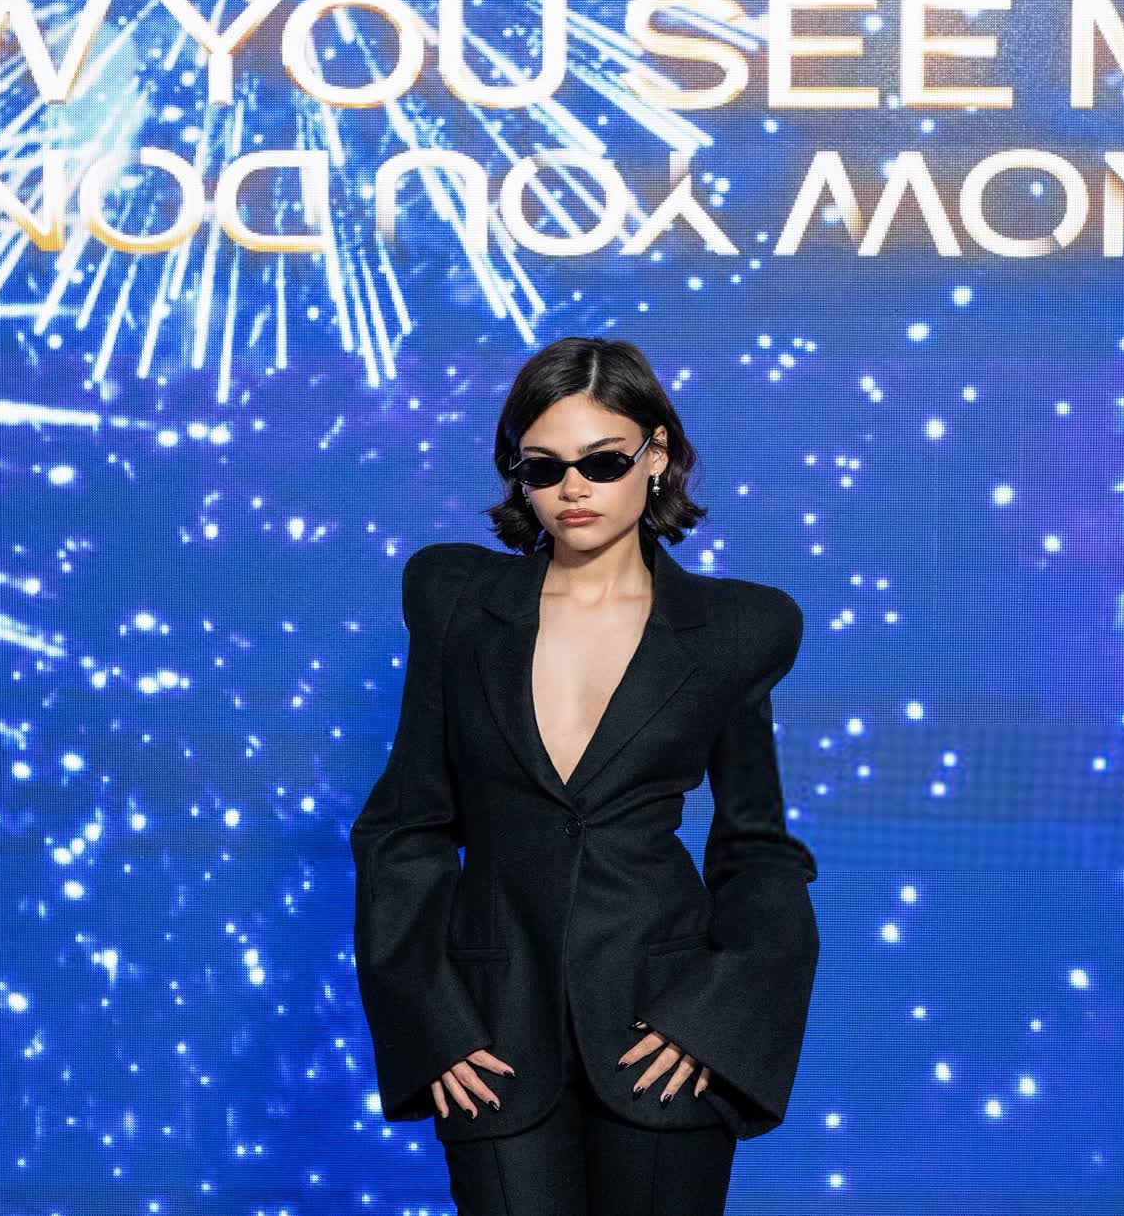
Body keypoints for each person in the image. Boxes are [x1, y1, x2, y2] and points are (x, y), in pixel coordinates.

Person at [350, 336, 820, 1215]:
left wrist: (716, 1019)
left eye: (602, 462)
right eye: (544, 467)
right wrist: (433, 1022)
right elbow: (405, 829)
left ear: (657, 455)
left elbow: (758, 851)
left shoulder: (735, 628)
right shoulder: (455, 603)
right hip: (491, 1038)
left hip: (664, 1035)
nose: (573, 488)